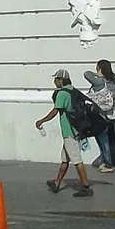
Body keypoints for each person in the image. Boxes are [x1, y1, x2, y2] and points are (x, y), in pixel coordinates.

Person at [36, 69, 93, 197]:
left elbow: (55, 111)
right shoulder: (72, 90)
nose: (54, 81)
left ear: (61, 80)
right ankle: (57, 183)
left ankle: (86, 187)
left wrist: (42, 121)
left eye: (56, 79)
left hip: (69, 131)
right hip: (75, 130)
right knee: (65, 160)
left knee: (77, 160)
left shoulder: (62, 93)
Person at [84, 63, 115, 172]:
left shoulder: (99, 82)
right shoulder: (113, 83)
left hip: (99, 116)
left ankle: (107, 164)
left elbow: (86, 74)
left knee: (103, 140)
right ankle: (106, 161)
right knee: (105, 139)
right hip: (109, 115)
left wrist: (97, 74)